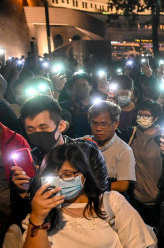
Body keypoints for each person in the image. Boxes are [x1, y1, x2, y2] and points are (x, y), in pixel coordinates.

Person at [21, 144, 153, 248]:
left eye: (68, 175)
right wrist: (38, 217)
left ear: (84, 175)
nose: (61, 181)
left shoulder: (111, 202)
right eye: (53, 176)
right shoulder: (41, 212)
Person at [11, 95, 109, 225]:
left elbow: (102, 191)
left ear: (61, 125)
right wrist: (25, 192)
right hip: (50, 228)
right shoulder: (30, 161)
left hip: (90, 221)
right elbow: (25, 214)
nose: (37, 133)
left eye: (43, 127)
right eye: (31, 129)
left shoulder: (86, 151)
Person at [119, 100, 164, 227]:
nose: (142, 118)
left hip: (157, 200)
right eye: (140, 115)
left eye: (146, 116)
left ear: (156, 118)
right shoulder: (130, 134)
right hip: (134, 200)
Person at [87, 101, 136, 193]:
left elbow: (123, 185)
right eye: (94, 123)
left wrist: (95, 187)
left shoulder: (124, 150)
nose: (98, 128)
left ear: (116, 124)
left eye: (104, 124)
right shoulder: (84, 143)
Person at [60, 72, 94, 138]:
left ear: (90, 87)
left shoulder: (98, 105)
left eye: (84, 85)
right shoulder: (66, 105)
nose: (81, 88)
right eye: (77, 85)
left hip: (95, 142)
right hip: (73, 143)